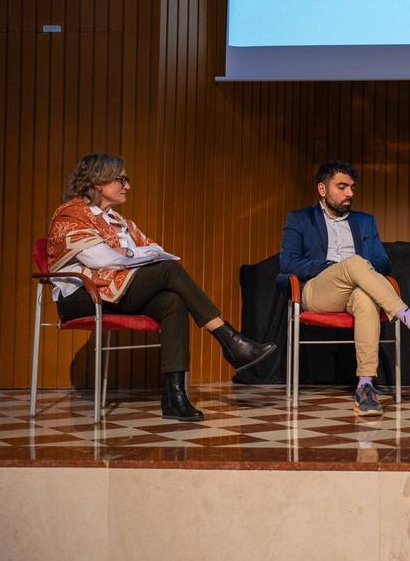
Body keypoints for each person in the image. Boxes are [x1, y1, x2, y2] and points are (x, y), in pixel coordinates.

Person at [48, 153, 276, 422]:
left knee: (172, 301)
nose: (127, 185)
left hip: (116, 288)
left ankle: (175, 396)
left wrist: (127, 253)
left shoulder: (119, 222)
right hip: (81, 297)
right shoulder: (71, 215)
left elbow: (154, 248)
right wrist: (130, 254)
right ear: (98, 182)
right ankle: (229, 340)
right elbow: (98, 259)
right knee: (168, 270)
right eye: (121, 179)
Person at [278, 161, 410, 417]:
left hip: (355, 288)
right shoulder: (300, 219)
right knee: (354, 262)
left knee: (365, 299)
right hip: (316, 289)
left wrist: (357, 269)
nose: (350, 194)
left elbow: (383, 262)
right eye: (342, 187)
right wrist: (335, 266)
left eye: (352, 188)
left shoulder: (365, 222)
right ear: (322, 189)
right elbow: (287, 261)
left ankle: (365, 388)